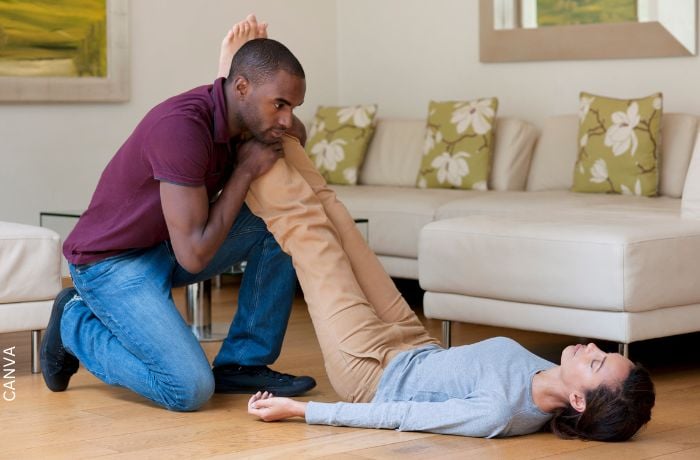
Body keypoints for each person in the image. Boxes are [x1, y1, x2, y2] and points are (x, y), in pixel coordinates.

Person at [203, 18, 655, 441]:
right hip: (412, 341)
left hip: (372, 369)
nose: (591, 346)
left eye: (596, 361)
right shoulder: (549, 375)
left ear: (578, 399)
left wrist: (304, 412)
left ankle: (231, 95)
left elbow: (400, 417)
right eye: (603, 351)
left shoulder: (498, 414)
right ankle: (239, 95)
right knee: (330, 208)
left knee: (308, 230)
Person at [39, 16, 317, 412]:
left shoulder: (246, 114)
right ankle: (74, 322)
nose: (287, 118)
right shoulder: (181, 129)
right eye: (280, 104)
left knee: (281, 219)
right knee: (188, 389)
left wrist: (273, 115)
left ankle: (243, 361)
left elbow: (296, 135)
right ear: (240, 88)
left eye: (293, 106)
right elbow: (194, 256)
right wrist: (243, 171)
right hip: (111, 264)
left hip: (164, 245)